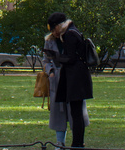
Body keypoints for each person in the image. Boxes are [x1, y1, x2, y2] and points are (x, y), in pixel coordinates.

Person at [46, 12, 92, 149]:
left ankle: (77, 144)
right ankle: (76, 143)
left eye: (54, 29)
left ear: (59, 26)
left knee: (76, 113)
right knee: (73, 112)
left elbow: (71, 58)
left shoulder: (69, 34)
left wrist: (57, 58)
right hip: (74, 77)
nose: (54, 32)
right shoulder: (73, 31)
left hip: (75, 78)